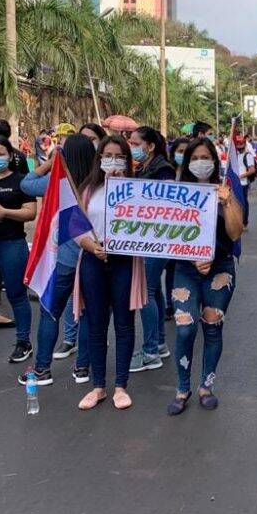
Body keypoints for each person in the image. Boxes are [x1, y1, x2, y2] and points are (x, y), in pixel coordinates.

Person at [167, 137, 244, 416]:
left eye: (206, 158)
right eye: (195, 158)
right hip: (185, 269)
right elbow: (165, 235)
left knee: (212, 326)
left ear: (215, 161)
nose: (201, 163)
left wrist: (228, 202)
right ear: (187, 163)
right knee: (185, 328)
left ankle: (206, 387)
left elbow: (235, 232)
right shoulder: (175, 193)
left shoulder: (225, 191)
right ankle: (182, 388)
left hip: (220, 268)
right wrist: (193, 256)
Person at [17, 135, 96, 386]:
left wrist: (49, 164)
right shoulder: (99, 184)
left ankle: (42, 369)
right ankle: (82, 368)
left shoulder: (57, 182)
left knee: (50, 312)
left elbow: (26, 184)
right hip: (92, 259)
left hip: (63, 260)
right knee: (87, 314)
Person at [75, 135, 146, 411]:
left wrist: (124, 189)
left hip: (124, 262)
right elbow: (75, 227)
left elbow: (148, 225)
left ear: (127, 161)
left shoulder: (138, 190)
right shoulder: (87, 189)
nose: (113, 160)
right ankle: (98, 386)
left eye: (119, 156)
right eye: (108, 155)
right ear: (99, 158)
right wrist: (91, 247)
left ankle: (120, 386)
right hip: (94, 261)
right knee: (96, 324)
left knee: (124, 324)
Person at [0, 136, 37, 363]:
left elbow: (30, 212)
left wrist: (5, 212)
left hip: (12, 243)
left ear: (10, 155)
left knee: (16, 294)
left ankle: (23, 342)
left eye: (0, 154)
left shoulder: (21, 181)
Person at [128, 127, 176, 374]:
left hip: (157, 239)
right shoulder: (144, 168)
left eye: (136, 143)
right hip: (147, 239)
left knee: (145, 292)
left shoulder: (163, 170)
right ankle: (158, 343)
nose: (132, 147)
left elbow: (166, 204)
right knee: (153, 289)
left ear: (150, 146)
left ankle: (150, 353)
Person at [236, 135, 257, 229]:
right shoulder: (236, 155)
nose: (239, 146)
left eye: (241, 144)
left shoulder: (248, 156)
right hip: (236, 183)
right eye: (237, 144)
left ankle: (244, 222)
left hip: (243, 183)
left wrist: (240, 176)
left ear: (244, 144)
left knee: (243, 203)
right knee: (236, 203)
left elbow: (252, 170)